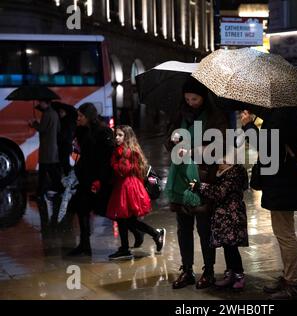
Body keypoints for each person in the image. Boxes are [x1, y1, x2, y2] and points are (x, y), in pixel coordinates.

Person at [165, 77, 228, 289]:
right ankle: (187, 270)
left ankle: (208, 271)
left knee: (204, 228)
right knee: (183, 229)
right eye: (187, 98)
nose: (191, 102)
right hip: (180, 179)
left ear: (204, 97)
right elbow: (168, 142)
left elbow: (219, 147)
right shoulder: (179, 115)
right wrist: (172, 139)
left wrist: (192, 151)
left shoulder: (214, 116)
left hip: (202, 179)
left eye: (195, 98)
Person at [256, 107, 297, 300]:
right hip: (286, 181)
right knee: (284, 233)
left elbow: (267, 148)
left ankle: (293, 283)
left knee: (285, 235)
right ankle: (288, 277)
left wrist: (249, 126)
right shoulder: (292, 110)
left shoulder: (284, 114)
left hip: (283, 182)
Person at [190, 154, 249, 291]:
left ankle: (239, 275)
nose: (219, 162)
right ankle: (231, 274)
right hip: (224, 219)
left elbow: (219, 192)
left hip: (232, 218)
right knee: (227, 247)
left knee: (232, 248)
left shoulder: (233, 174)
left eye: (222, 160)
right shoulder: (222, 173)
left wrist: (200, 186)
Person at [106, 125, 166, 261]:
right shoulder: (123, 150)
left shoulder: (126, 151)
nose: (116, 138)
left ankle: (127, 248)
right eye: (116, 135)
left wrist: (114, 161)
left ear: (127, 137)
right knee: (126, 220)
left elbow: (122, 170)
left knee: (125, 219)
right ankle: (153, 235)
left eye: (120, 135)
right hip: (125, 186)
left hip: (128, 187)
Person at [68, 103, 115, 256]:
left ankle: (144, 232)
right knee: (81, 208)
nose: (78, 118)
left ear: (88, 116)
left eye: (81, 116)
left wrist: (101, 179)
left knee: (110, 211)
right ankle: (84, 244)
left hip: (99, 180)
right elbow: (83, 154)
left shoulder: (103, 131)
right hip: (86, 179)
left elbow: (106, 158)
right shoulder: (81, 131)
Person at [29, 100, 64, 199]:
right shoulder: (54, 113)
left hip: (46, 147)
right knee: (51, 170)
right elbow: (58, 129)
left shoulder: (46, 114)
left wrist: (34, 123)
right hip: (53, 146)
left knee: (44, 172)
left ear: (46, 103)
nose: (40, 104)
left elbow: (42, 128)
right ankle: (60, 189)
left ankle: (40, 193)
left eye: (41, 102)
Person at [53, 102, 77, 176]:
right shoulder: (62, 121)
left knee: (65, 164)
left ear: (65, 112)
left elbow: (65, 135)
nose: (60, 113)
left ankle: (69, 178)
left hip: (65, 146)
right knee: (63, 164)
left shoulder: (67, 122)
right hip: (63, 146)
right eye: (59, 111)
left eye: (61, 112)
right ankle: (66, 178)